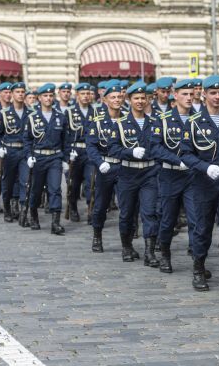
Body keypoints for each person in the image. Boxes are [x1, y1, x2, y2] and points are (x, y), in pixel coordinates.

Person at [180, 75, 219, 291]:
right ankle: (199, 268)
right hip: (202, 183)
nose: (217, 97)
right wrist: (205, 167)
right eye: (213, 93)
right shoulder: (193, 122)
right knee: (202, 228)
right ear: (203, 94)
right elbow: (185, 153)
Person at [108, 81, 159, 263]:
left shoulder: (154, 122)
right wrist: (130, 152)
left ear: (147, 100)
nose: (140, 101)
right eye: (136, 98)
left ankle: (149, 252)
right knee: (127, 213)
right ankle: (127, 247)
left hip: (149, 173)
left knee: (149, 212)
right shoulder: (120, 124)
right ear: (129, 100)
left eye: (143, 98)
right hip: (128, 174)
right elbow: (112, 149)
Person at [150, 79, 197, 273]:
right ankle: (165, 255)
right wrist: (178, 160)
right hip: (170, 174)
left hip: (194, 177)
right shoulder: (163, 119)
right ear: (175, 95)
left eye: (191, 94)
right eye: (184, 94)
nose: (188, 98)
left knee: (196, 219)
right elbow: (155, 148)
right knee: (168, 219)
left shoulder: (199, 118)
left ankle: (198, 262)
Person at [23, 83, 69, 235]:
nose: (48, 98)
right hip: (39, 158)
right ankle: (34, 216)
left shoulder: (60, 117)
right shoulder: (32, 117)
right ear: (39, 98)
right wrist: (29, 156)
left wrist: (65, 159)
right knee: (36, 189)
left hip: (55, 157)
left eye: (50, 96)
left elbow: (65, 141)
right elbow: (27, 139)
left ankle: (55, 223)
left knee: (55, 189)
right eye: (45, 96)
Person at [86, 82, 125, 252]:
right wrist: (100, 162)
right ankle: (97, 235)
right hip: (105, 166)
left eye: (119, 97)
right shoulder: (98, 121)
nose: (117, 100)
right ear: (105, 100)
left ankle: (127, 241)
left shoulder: (128, 118)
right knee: (101, 205)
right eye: (113, 97)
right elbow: (91, 145)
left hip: (124, 166)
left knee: (127, 205)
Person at [0, 82, 31, 224]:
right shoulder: (4, 114)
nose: (20, 94)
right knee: (7, 183)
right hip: (9, 151)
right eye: (17, 92)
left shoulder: (31, 113)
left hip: (25, 152)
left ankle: (23, 213)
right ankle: (7, 208)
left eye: (22, 91)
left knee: (25, 182)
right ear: (12, 94)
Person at [65, 82, 102, 222]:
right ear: (77, 95)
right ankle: (73, 207)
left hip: (90, 151)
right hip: (75, 151)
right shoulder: (69, 112)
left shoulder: (96, 112)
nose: (86, 96)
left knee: (91, 182)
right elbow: (65, 134)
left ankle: (91, 209)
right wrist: (68, 152)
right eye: (83, 94)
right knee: (73, 183)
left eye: (88, 94)